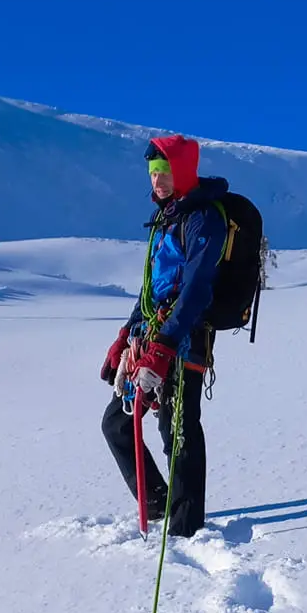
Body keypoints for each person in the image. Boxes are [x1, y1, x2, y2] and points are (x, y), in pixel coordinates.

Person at [101, 133, 228, 536]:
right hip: (149, 338)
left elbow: (196, 289)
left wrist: (165, 344)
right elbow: (150, 289)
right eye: (153, 173)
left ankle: (186, 527)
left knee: (178, 429)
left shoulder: (203, 218)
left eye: (166, 171)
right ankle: (158, 504)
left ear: (185, 172)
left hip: (184, 341)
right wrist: (125, 335)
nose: (158, 180)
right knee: (117, 423)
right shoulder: (168, 217)